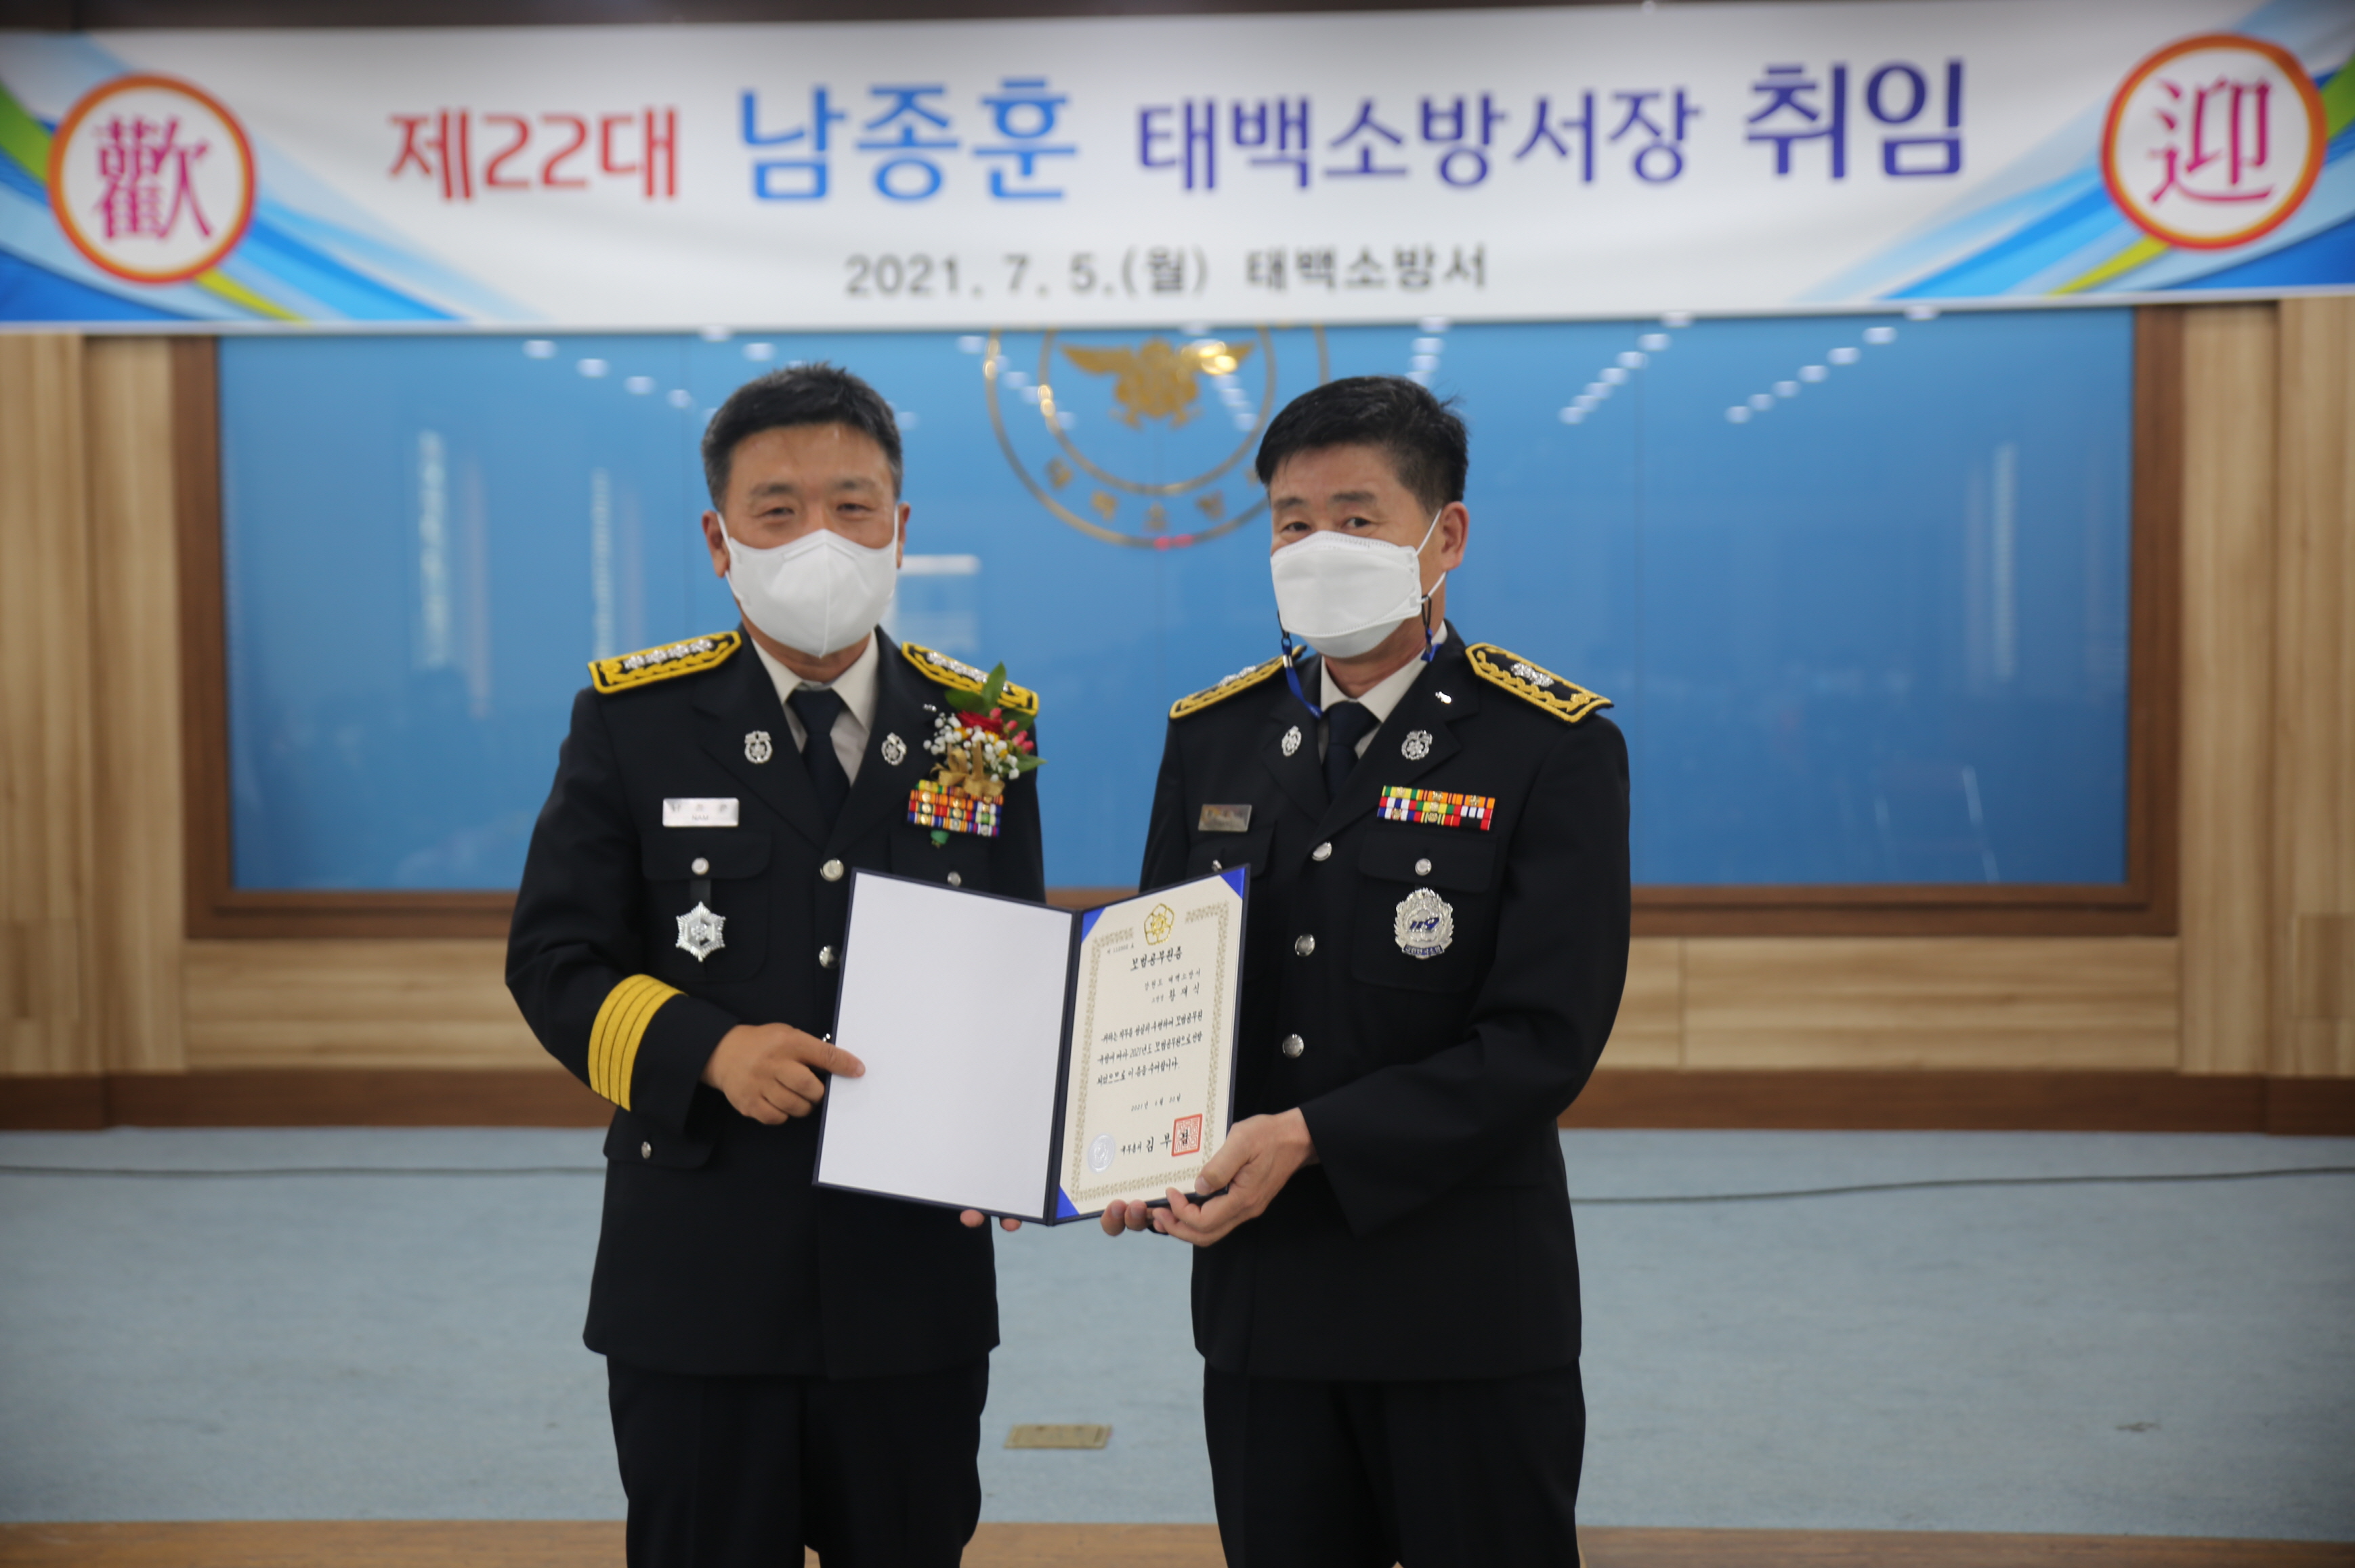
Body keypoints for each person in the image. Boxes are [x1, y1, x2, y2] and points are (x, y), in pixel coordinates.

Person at [507, 364, 1042, 1568]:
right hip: (700, 1271)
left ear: (900, 527)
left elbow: (1009, 961)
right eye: (778, 509)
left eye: (853, 507)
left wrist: (1019, 1133)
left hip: (910, 1277)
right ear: (720, 540)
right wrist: (710, 1050)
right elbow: (553, 960)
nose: (820, 539)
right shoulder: (635, 721)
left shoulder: (982, 727)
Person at [1102, 375, 1630, 1567]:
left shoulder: (1548, 746)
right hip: (1263, 1297)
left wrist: (1312, 1135)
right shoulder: (1213, 736)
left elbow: (1543, 1041)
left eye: (1356, 517)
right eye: (1291, 523)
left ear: (1444, 535)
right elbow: (1160, 988)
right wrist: (1126, 1142)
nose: (1318, 548)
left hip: (1462, 1299)